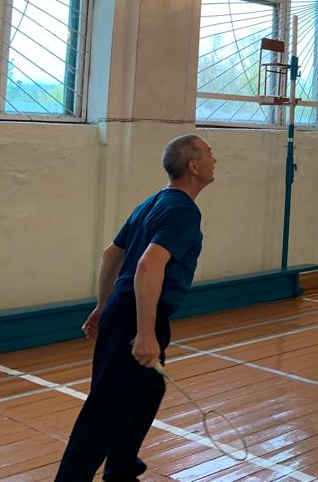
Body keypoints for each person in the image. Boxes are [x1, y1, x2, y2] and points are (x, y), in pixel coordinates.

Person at [56, 135, 216, 481]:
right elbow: (147, 265)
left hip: (123, 310)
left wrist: (103, 306)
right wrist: (144, 333)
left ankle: (121, 466)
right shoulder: (184, 211)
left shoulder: (151, 203)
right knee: (105, 410)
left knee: (149, 390)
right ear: (193, 166)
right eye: (209, 153)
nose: (214, 159)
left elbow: (110, 255)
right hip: (138, 315)